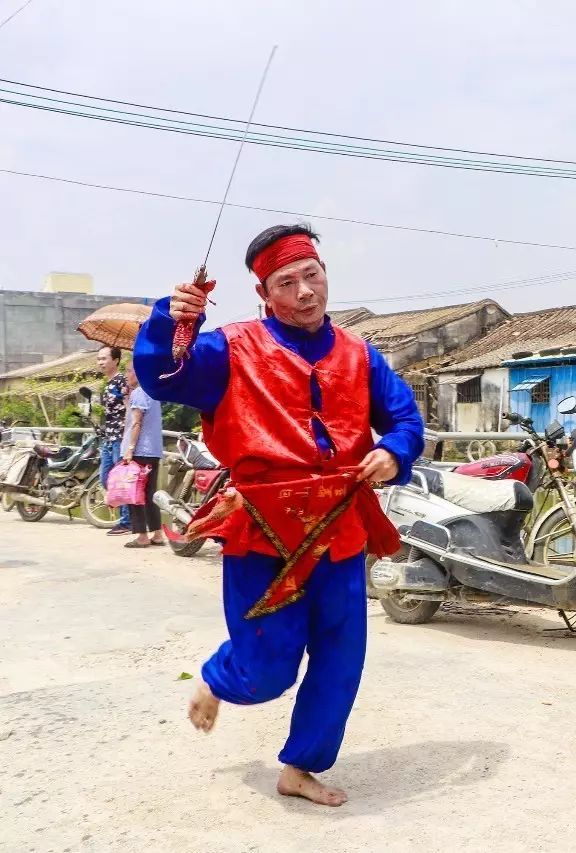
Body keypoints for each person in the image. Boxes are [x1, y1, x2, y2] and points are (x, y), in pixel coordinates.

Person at [133, 223, 424, 806]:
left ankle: (300, 768)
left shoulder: (360, 354)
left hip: (339, 527)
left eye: (312, 276)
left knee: (342, 661)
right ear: (265, 294)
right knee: (267, 670)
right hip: (262, 529)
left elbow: (404, 418)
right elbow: (163, 376)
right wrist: (171, 317)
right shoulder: (229, 348)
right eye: (286, 283)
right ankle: (219, 676)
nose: (305, 292)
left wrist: (394, 452)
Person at [120, 362, 165, 548]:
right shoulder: (152, 392)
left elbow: (136, 423)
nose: (126, 375)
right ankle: (157, 534)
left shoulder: (139, 393)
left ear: (138, 373)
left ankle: (142, 536)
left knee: (135, 494)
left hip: (139, 452)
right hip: (153, 451)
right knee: (149, 494)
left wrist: (130, 449)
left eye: (129, 371)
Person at [95, 346, 132, 535]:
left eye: (104, 358)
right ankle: (126, 515)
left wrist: (128, 437)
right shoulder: (108, 383)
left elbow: (129, 407)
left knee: (120, 479)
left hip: (119, 436)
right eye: (99, 359)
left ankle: (127, 521)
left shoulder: (121, 381)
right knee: (105, 478)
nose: (101, 362)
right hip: (108, 436)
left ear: (116, 360)